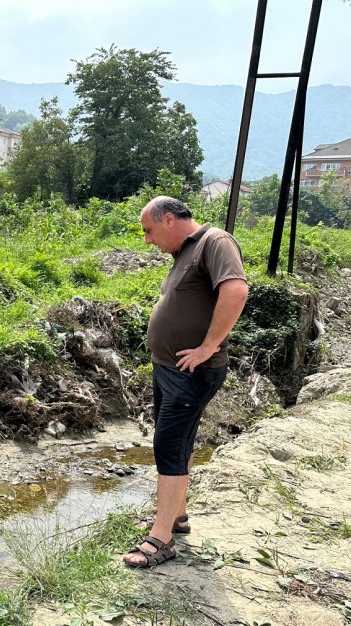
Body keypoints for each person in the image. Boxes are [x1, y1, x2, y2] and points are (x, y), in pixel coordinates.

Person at [123, 196, 249, 568]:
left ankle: (160, 540)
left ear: (167, 220)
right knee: (180, 442)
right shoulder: (184, 253)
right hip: (170, 368)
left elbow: (236, 290)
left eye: (148, 231)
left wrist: (208, 346)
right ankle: (175, 517)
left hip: (190, 372)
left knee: (169, 445)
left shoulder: (215, 242)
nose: (147, 240)